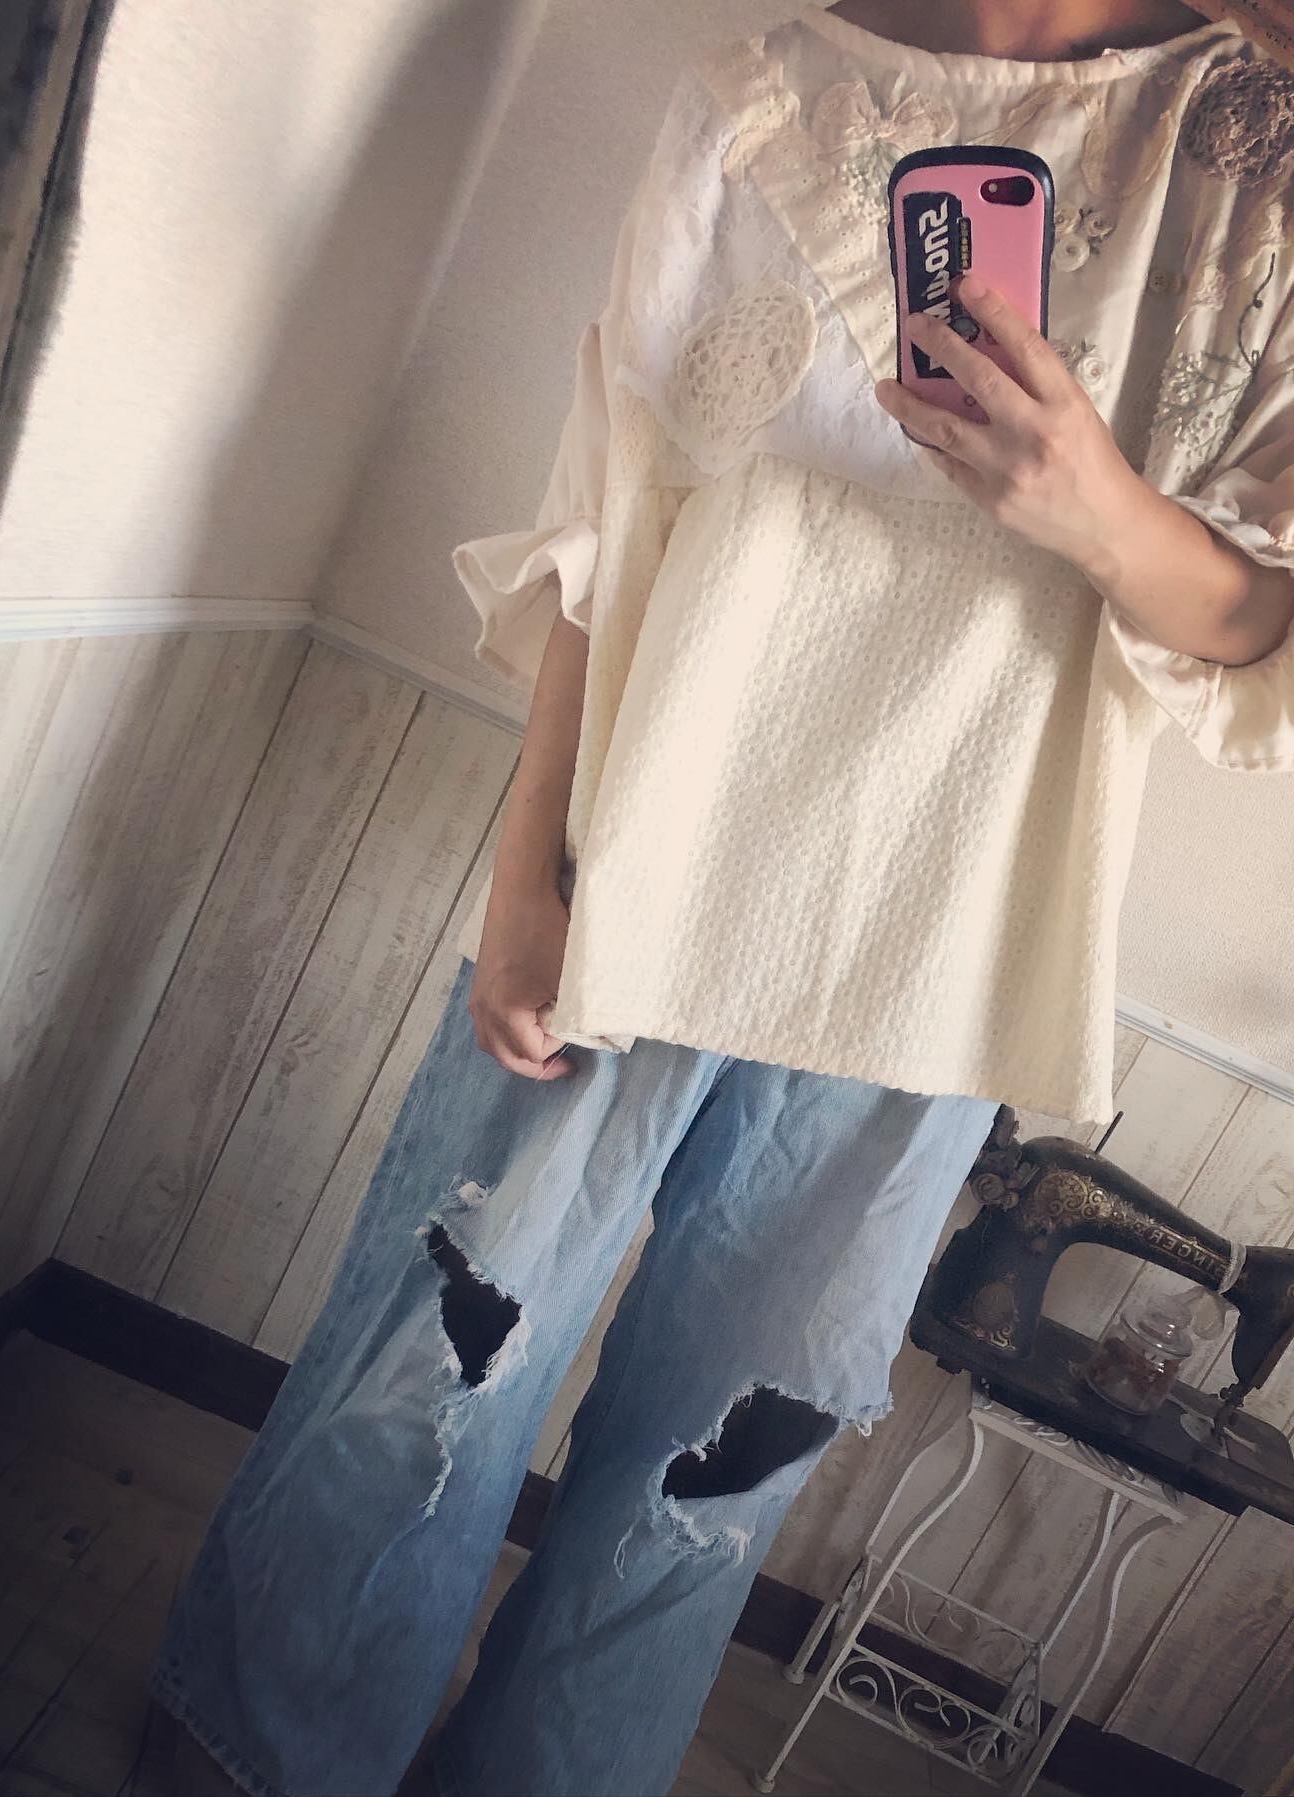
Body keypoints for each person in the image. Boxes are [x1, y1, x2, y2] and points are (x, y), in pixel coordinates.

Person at [155, 3, 1294, 1793]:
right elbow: (614, 506)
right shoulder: (761, 93)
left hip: (937, 952)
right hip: (638, 870)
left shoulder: (1254, 169)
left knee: (709, 1476)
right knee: (428, 1368)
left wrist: (1093, 508)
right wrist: (525, 867)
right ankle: (263, 1755)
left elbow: (1261, 621)